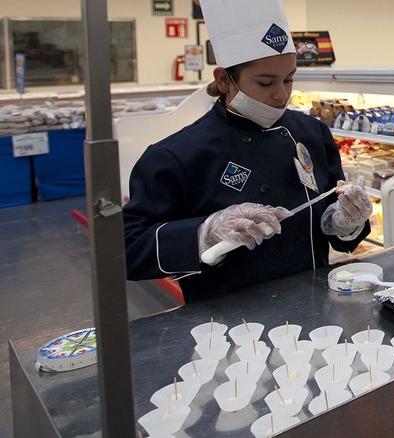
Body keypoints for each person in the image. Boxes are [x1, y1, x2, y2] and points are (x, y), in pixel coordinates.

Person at [123, 0, 372, 303]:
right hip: (225, 324)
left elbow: (332, 222)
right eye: (266, 82)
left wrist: (344, 223)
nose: (281, 94)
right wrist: (204, 233)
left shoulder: (311, 133)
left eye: (289, 79)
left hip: (314, 306)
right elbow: (127, 250)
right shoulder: (177, 155)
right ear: (224, 80)